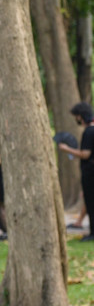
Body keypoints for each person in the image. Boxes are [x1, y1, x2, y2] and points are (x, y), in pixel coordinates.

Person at [58, 102, 94, 241]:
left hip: (90, 172)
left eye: (76, 117)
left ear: (80, 116)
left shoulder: (88, 132)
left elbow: (85, 154)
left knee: (90, 201)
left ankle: (92, 233)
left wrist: (67, 149)